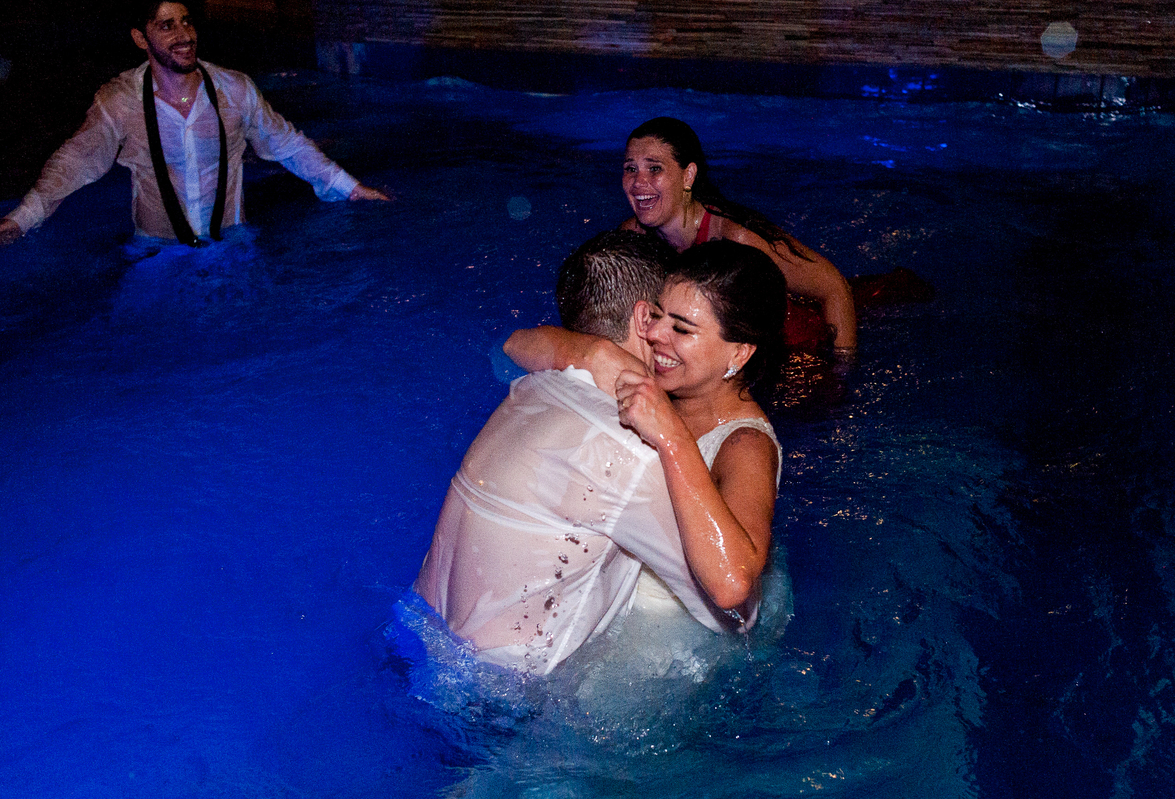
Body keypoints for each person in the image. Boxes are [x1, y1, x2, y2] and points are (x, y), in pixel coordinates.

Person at [412, 231, 749, 676]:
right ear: (643, 318)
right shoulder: (627, 451)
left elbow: (506, 347)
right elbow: (726, 608)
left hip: (413, 640)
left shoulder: (528, 389)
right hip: (499, 706)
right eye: (665, 318)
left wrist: (592, 351)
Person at [505, 239, 787, 631]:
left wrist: (672, 437)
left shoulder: (745, 446)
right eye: (657, 316)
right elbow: (514, 345)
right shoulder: (660, 386)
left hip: (669, 653)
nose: (655, 335)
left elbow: (732, 585)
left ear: (739, 354)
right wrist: (600, 355)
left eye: (681, 328)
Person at [0, 0, 388, 247]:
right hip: (155, 252)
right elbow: (75, 161)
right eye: (167, 25)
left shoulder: (234, 90)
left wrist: (351, 189)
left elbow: (286, 143)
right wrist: (21, 220)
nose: (184, 34)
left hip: (233, 246)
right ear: (140, 38)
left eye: (186, 21)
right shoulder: (120, 101)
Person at [619, 116, 856, 351]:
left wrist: (842, 370)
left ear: (688, 175)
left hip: (798, 343)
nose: (638, 182)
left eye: (654, 168)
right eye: (631, 168)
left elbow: (833, 287)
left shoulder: (736, 237)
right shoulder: (631, 237)